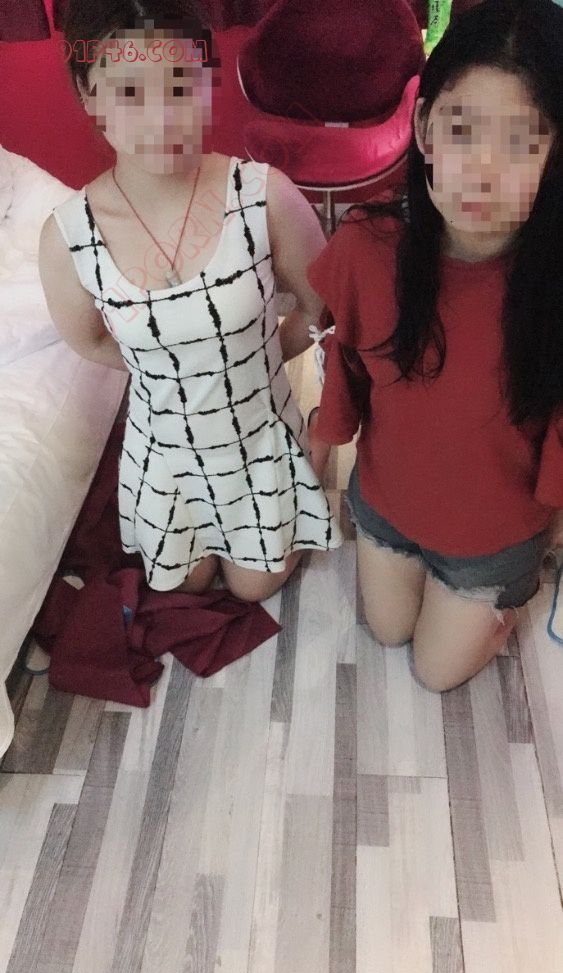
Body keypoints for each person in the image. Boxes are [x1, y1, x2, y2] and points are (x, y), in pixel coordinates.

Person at [39, 1, 342, 603]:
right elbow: (91, 340)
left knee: (255, 588)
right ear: (89, 93)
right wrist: (177, 368)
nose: (161, 117)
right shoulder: (66, 237)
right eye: (129, 92)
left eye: (179, 84)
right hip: (164, 452)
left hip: (257, 436)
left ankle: (311, 452)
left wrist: (251, 357)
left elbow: (318, 310)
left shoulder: (266, 195)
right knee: (184, 587)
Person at [307, 0, 563, 692]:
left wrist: (554, 525)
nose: (482, 171)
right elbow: (344, 367)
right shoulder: (367, 245)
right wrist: (316, 454)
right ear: (424, 128)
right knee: (386, 628)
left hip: (494, 537)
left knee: (434, 671)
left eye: (522, 142)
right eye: (462, 129)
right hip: (386, 504)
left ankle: (504, 598)